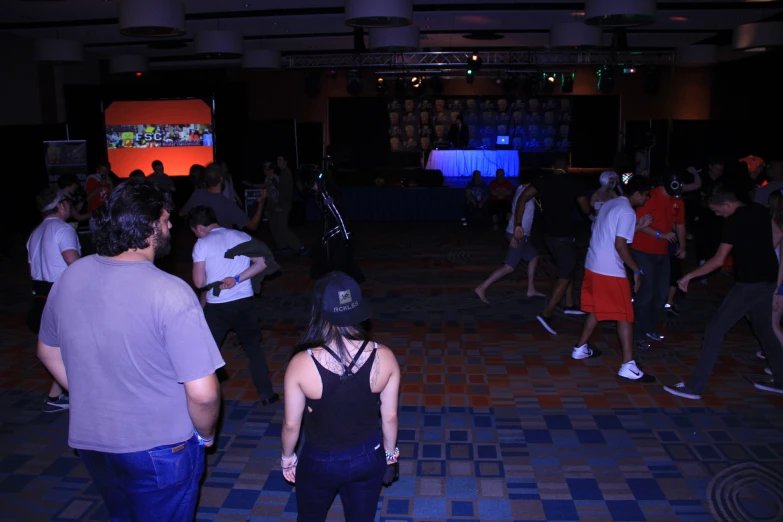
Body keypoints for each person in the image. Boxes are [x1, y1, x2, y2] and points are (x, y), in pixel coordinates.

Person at [36, 181, 225, 520]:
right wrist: (206, 433)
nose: (170, 226)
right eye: (166, 220)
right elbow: (204, 394)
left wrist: (91, 397)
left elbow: (47, 351)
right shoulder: (171, 292)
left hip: (92, 440)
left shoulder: (71, 275)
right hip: (160, 448)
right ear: (150, 225)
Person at [281, 271, 400, 521]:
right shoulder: (386, 356)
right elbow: (389, 417)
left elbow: (292, 424)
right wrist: (389, 456)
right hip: (369, 455)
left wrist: (288, 458)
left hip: (320, 459)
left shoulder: (301, 363)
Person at [664, 185, 783, 398]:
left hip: (750, 284)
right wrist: (759, 251)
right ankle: (781, 381)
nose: (717, 215)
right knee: (765, 329)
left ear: (727, 204)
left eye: (718, 211)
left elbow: (719, 260)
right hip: (769, 280)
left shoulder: (734, 221)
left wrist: (690, 275)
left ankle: (694, 387)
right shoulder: (758, 209)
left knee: (714, 331)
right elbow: (778, 233)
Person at [188, 205, 279, 405]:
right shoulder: (242, 236)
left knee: (208, 352)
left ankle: (202, 397)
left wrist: (213, 278)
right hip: (244, 304)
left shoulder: (202, 244)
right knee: (253, 348)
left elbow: (199, 282)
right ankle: (266, 394)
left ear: (200, 228)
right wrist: (237, 278)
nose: (196, 236)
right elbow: (262, 263)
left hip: (218, 307)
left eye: (195, 232)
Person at [571, 176, 655, 382]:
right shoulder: (627, 211)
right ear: (636, 194)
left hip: (592, 264)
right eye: (645, 195)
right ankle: (628, 364)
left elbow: (609, 234)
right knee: (625, 315)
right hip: (609, 270)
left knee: (598, 309)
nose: (646, 199)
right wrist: (636, 270)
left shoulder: (611, 203)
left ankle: (580, 348)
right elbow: (620, 245)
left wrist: (638, 226)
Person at [513, 153, 591, 334]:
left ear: (553, 167)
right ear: (568, 167)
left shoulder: (542, 181)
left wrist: (518, 224)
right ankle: (546, 314)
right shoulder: (573, 182)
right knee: (566, 272)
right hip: (563, 236)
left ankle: (570, 304)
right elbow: (586, 209)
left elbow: (522, 198)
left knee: (567, 266)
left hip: (547, 235)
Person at [27, 187, 81, 412]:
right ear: (61, 205)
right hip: (61, 297)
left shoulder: (35, 232)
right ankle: (79, 397)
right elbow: (73, 261)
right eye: (67, 201)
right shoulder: (63, 229)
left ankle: (55, 396)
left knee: (63, 350)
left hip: (40, 297)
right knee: (74, 349)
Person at [631, 170, 687, 350]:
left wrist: (682, 246)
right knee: (645, 294)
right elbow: (638, 224)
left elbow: (680, 224)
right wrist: (660, 234)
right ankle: (638, 334)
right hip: (642, 251)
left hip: (663, 253)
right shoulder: (650, 196)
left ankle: (650, 328)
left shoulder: (677, 200)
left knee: (661, 294)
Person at [475, 169, 545, 302]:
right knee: (509, 267)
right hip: (518, 235)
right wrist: (515, 236)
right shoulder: (526, 193)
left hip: (522, 235)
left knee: (534, 257)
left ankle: (531, 289)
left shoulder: (521, 189)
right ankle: (481, 287)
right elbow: (519, 208)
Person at [180, 163, 266, 231]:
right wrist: (261, 203)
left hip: (202, 248)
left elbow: (182, 213)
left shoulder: (197, 195)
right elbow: (252, 225)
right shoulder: (228, 205)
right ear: (221, 179)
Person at [268, 156, 307, 255]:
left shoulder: (286, 173)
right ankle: (282, 246)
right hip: (284, 203)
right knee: (278, 225)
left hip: (284, 203)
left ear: (285, 162)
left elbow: (285, 191)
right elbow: (281, 188)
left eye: (280, 160)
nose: (278, 162)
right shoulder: (283, 172)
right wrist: (272, 179)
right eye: (277, 160)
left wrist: (280, 205)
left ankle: (300, 247)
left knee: (282, 227)